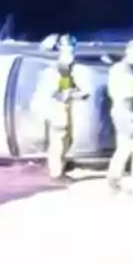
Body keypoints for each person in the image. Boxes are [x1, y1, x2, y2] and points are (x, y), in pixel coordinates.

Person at [105, 39, 133, 194]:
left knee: (125, 148)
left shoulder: (128, 70)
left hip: (126, 114)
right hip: (127, 114)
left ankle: (114, 176)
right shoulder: (122, 71)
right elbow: (126, 95)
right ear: (128, 51)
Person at [36, 33, 83, 180]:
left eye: (72, 46)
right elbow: (55, 93)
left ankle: (59, 168)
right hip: (58, 111)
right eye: (67, 46)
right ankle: (56, 173)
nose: (71, 50)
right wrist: (72, 94)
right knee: (59, 140)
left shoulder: (66, 69)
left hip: (64, 109)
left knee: (65, 140)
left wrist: (74, 91)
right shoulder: (56, 71)